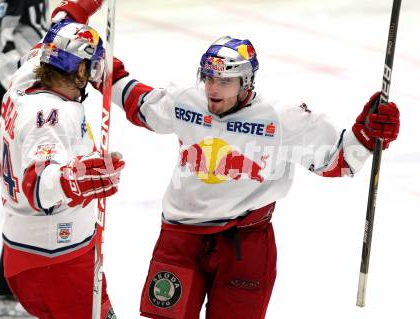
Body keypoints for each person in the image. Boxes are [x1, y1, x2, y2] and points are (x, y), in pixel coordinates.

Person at [55, 2, 400, 318]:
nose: (213, 89)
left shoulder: (281, 118)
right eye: (208, 77)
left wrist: (368, 134)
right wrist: (79, 44)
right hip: (180, 238)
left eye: (225, 80)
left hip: (245, 245)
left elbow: (338, 161)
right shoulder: (186, 101)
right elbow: (135, 99)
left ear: (246, 82)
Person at [0, 17, 125, 318]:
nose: (94, 73)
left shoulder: (26, 77)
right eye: (90, 65)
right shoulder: (53, 114)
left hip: (25, 253)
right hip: (57, 260)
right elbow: (38, 185)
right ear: (80, 69)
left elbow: (61, 24)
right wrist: (74, 181)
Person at [0, 1, 47, 317]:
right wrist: (26, 93)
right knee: (29, 181)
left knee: (38, 178)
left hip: (31, 88)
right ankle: (10, 293)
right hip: (11, 89)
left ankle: (18, 287)